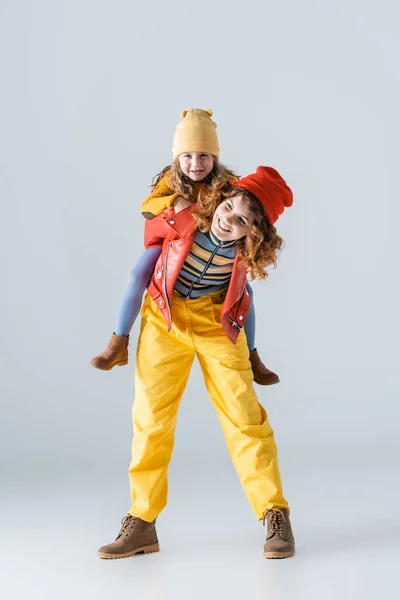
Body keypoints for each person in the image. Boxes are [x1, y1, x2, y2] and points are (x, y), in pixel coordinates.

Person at [97, 165, 295, 560]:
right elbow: (142, 263)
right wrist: (120, 335)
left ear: (253, 232)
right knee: (151, 418)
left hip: (217, 323)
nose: (229, 222)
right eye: (228, 209)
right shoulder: (184, 219)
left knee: (245, 417)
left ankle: (275, 512)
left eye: (242, 221)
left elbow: (246, 298)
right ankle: (142, 520)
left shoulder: (242, 254)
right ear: (219, 199)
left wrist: (253, 354)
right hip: (163, 316)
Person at [90, 109, 279, 385]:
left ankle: (252, 355)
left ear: (215, 158)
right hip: (171, 245)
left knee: (244, 291)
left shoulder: (226, 183)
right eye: (187, 156)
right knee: (136, 275)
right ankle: (118, 341)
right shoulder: (170, 179)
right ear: (177, 157)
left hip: (211, 252)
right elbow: (147, 206)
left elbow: (243, 209)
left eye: (204, 156)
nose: (195, 163)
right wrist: (173, 201)